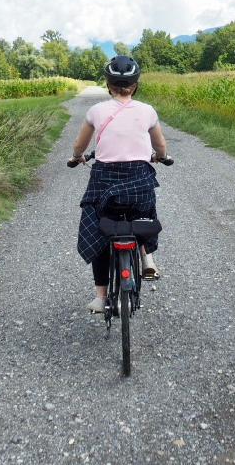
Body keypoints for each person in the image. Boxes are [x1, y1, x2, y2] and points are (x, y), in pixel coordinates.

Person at [69, 55, 169, 313]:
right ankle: (147, 257)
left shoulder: (96, 111)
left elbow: (80, 145)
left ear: (108, 84)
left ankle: (101, 298)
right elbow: (159, 145)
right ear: (135, 85)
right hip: (139, 178)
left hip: (104, 180)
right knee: (145, 211)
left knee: (99, 228)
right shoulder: (147, 111)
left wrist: (77, 157)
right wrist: (163, 157)